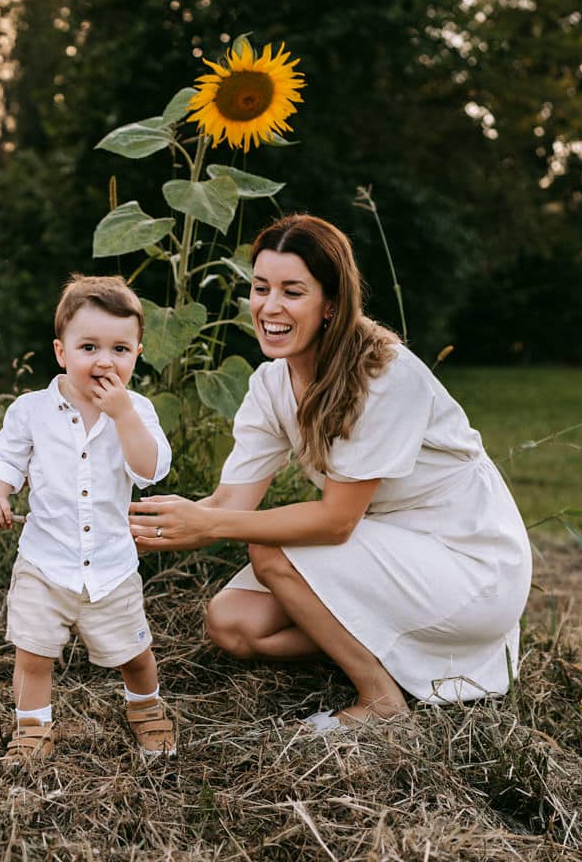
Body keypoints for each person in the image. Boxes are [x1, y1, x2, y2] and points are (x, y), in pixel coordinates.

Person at [129, 214, 532, 732]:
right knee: (234, 625)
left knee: (271, 549)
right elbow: (231, 504)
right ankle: (394, 653)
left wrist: (208, 527)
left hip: (469, 566)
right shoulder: (271, 384)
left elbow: (336, 521)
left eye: (292, 291)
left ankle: (381, 699)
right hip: (387, 551)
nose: (270, 307)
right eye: (260, 288)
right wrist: (137, 526)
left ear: (332, 303)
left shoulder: (385, 376)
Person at [0, 276, 176, 760]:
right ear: (61, 351)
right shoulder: (31, 410)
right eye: (89, 347)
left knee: (134, 652)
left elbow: (151, 470)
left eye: (120, 349)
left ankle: (146, 708)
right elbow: (5, 458)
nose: (105, 361)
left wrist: (124, 415)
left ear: (136, 354)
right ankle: (32, 727)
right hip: (45, 562)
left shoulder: (138, 411)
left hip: (110, 565)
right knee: (33, 652)